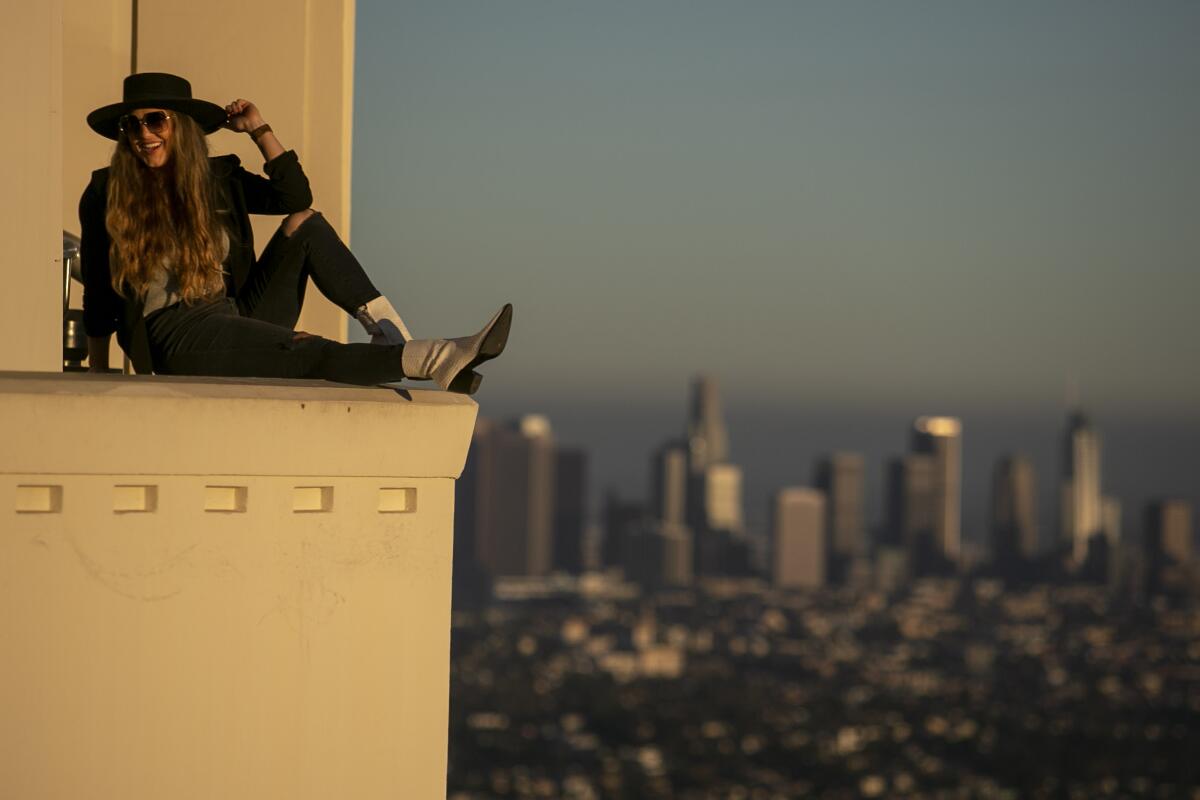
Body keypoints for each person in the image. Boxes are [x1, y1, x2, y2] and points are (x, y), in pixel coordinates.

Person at [80, 72, 510, 394]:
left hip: (234, 312)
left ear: (184, 127)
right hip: (177, 333)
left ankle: (391, 338)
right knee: (304, 348)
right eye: (131, 126)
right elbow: (99, 289)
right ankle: (437, 357)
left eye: (155, 120)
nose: (143, 134)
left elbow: (292, 195)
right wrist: (98, 373)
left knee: (306, 223)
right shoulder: (108, 191)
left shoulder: (215, 178)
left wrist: (259, 130)